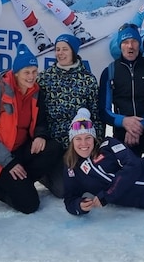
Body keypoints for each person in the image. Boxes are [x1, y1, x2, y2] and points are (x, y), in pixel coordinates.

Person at [0, 44, 63, 214]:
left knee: (54, 147)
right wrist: (8, 162)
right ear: (16, 72)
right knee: (30, 205)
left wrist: (40, 136)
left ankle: (18, 181)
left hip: (20, 150)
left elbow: (41, 120)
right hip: (0, 156)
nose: (31, 76)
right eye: (27, 72)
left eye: (34, 71)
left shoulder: (35, 91)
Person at [36, 34, 103, 198]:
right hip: (55, 143)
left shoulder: (87, 79)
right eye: (57, 49)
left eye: (64, 49)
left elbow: (96, 115)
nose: (60, 53)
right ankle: (44, 173)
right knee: (64, 190)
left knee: (92, 183)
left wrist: (97, 144)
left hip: (81, 143)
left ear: (73, 51)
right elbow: (38, 113)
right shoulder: (45, 78)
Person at [99, 24, 144, 156]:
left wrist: (139, 124)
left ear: (139, 44)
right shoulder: (109, 72)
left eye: (134, 41)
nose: (130, 46)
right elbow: (104, 111)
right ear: (120, 45)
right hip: (124, 133)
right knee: (133, 170)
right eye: (125, 42)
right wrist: (124, 122)